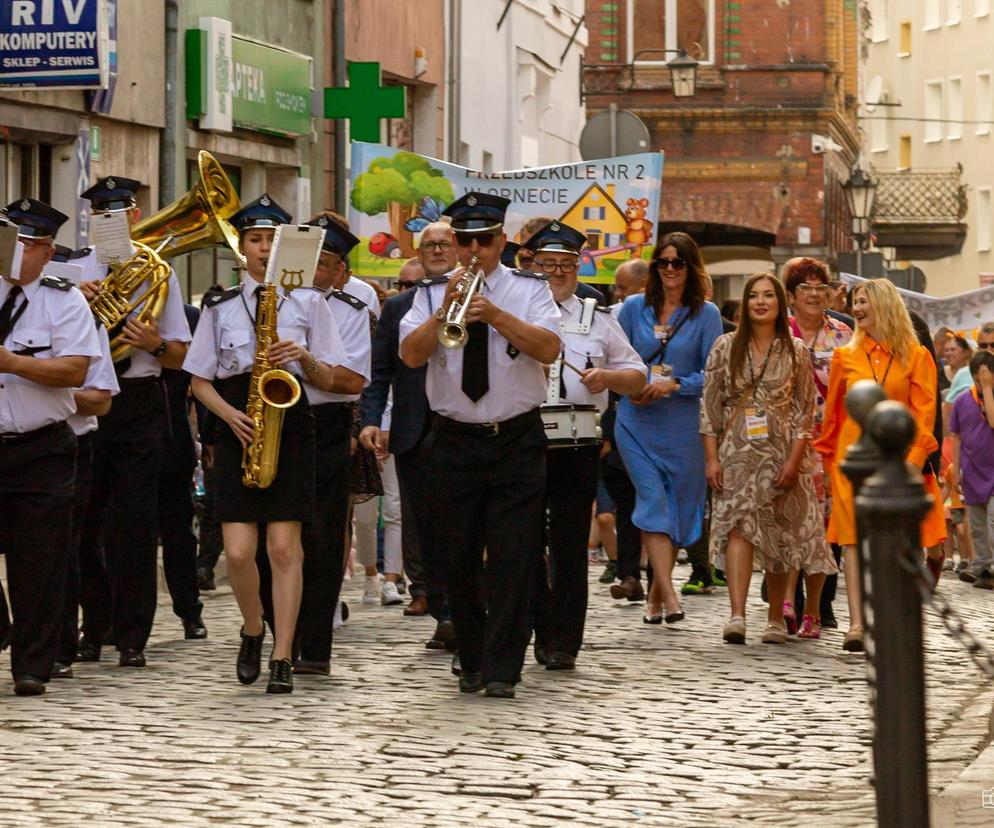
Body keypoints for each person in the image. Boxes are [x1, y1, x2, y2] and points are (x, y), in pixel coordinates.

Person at [399, 192, 561, 699]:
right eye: (464, 240)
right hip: (453, 439)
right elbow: (408, 355)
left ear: (502, 242)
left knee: (515, 556)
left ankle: (502, 668)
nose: (474, 250)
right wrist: (443, 310)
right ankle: (471, 655)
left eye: (484, 241)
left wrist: (494, 316)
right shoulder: (429, 294)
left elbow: (550, 348)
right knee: (458, 558)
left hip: (515, 437)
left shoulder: (530, 289)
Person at [183, 194, 344, 693]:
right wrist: (228, 415)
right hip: (238, 422)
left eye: (272, 240)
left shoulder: (311, 302)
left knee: (282, 548)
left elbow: (336, 376)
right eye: (255, 239)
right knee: (236, 552)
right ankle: (253, 626)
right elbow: (198, 380)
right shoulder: (219, 306)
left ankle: (282, 654)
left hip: (291, 421)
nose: (263, 248)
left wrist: (305, 358)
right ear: (242, 249)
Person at [76, 176, 193, 668]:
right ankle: (94, 623)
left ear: (134, 216)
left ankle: (132, 636)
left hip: (141, 400)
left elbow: (182, 356)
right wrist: (79, 305)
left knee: (137, 523)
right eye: (101, 214)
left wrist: (153, 343)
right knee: (82, 521)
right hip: (87, 400)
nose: (111, 222)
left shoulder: (159, 271)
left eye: (120, 213)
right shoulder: (70, 272)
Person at [526, 220, 645, 671]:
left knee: (571, 541)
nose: (557, 272)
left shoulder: (598, 318)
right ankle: (539, 623)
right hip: (526, 436)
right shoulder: (518, 315)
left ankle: (565, 640)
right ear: (532, 266)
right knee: (524, 539)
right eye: (548, 264)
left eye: (566, 265)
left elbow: (637, 377)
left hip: (576, 438)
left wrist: (606, 378)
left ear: (578, 269)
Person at [0, 198, 101, 695]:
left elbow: (75, 370)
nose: (18, 254)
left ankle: (32, 666)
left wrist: (12, 364)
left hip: (42, 448)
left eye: (28, 245)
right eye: (10, 243)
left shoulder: (65, 300)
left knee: (38, 562)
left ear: (47, 251)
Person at [702, 273, 836, 644]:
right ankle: (737, 615)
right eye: (753, 296)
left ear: (780, 303)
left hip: (782, 453)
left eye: (768, 296)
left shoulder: (795, 350)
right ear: (745, 304)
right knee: (740, 529)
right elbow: (710, 408)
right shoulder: (725, 347)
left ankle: (776, 618)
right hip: (737, 451)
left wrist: (794, 462)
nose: (760, 302)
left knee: (780, 534)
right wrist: (711, 459)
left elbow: (804, 413)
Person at [813, 278, 946, 652]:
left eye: (863, 302)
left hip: (898, 464)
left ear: (884, 306)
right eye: (854, 302)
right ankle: (856, 624)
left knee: (900, 542)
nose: (856, 308)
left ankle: (894, 618)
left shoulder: (916, 356)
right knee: (852, 542)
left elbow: (925, 412)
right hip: (850, 461)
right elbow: (834, 418)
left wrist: (915, 460)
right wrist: (827, 464)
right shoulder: (844, 356)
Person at [615, 232, 724, 624]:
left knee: (679, 509)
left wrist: (676, 385)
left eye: (678, 262)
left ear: (691, 268)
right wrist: (631, 383)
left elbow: (714, 373)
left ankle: (655, 595)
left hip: (683, 425)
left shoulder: (706, 314)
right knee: (652, 500)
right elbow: (616, 356)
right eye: (663, 262)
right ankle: (671, 596)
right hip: (637, 420)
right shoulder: (631, 309)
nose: (670, 269)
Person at [361, 227, 459, 647]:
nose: (437, 250)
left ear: (458, 250)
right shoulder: (399, 306)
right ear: (420, 253)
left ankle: (464, 610)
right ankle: (441, 608)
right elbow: (379, 371)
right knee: (425, 527)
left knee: (465, 524)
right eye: (430, 246)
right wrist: (370, 420)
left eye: (445, 244)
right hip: (415, 429)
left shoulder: (483, 297)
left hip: (465, 427)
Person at [284, 213, 370, 675]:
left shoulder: (351, 313)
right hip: (270, 420)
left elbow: (353, 380)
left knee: (319, 536)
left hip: (323, 422)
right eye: (305, 257)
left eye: (324, 261)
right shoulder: (264, 301)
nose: (312, 269)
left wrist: (308, 363)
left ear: (342, 272)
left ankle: (313, 645)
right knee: (271, 536)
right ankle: (276, 631)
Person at [782, 257, 852, 632]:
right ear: (791, 295)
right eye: (805, 288)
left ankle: (820, 605)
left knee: (828, 527)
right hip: (790, 442)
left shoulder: (843, 334)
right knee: (793, 522)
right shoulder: (779, 332)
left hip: (833, 444)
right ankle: (787, 601)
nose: (813, 295)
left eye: (820, 288)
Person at [57, 299, 119, 679]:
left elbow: (100, 399)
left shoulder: (77, 314)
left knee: (69, 544)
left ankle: (72, 638)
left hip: (68, 443)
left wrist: (39, 382)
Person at [157, 302, 208, 641]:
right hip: (120, 431)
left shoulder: (188, 316)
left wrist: (207, 436)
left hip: (172, 431)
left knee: (178, 529)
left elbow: (202, 379)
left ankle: (189, 610)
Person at [950, 350, 994, 587]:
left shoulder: (991, 395)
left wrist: (988, 389)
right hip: (972, 469)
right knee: (976, 522)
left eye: (987, 377)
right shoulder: (962, 400)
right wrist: (956, 470)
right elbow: (956, 437)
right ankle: (983, 564)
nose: (981, 382)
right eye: (978, 378)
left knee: (992, 521)